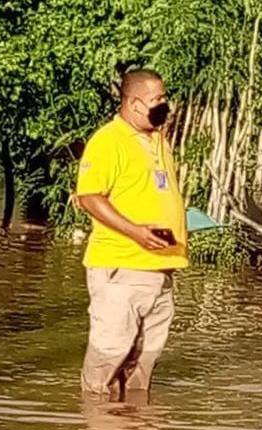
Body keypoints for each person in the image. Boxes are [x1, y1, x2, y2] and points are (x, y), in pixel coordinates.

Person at [75, 69, 188, 398]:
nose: (163, 105)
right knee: (106, 361)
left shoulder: (158, 140)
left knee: (144, 365)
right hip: (121, 267)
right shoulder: (108, 141)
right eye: (156, 100)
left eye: (164, 98)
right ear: (134, 104)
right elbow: (89, 197)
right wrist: (136, 232)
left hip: (161, 269)